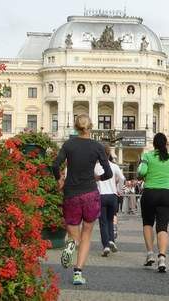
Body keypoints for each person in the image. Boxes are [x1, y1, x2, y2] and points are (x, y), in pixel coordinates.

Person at [53, 114, 113, 285]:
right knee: (86, 234)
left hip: (71, 194)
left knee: (74, 235)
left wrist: (60, 179)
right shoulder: (97, 146)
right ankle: (78, 273)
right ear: (91, 126)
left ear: (75, 126)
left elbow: (55, 165)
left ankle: (70, 247)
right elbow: (108, 173)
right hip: (90, 195)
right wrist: (97, 178)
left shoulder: (69, 144)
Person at [138, 133, 169, 272]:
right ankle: (162, 257)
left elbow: (141, 171)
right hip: (166, 195)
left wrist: (145, 173)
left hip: (150, 193)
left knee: (148, 223)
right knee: (162, 227)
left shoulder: (147, 156)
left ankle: (150, 254)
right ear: (165, 144)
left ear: (154, 144)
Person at [95, 145, 126, 257]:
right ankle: (112, 240)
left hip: (101, 196)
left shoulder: (96, 167)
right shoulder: (114, 166)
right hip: (113, 196)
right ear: (108, 154)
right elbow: (122, 178)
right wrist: (119, 190)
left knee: (102, 222)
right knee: (110, 220)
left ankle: (106, 246)